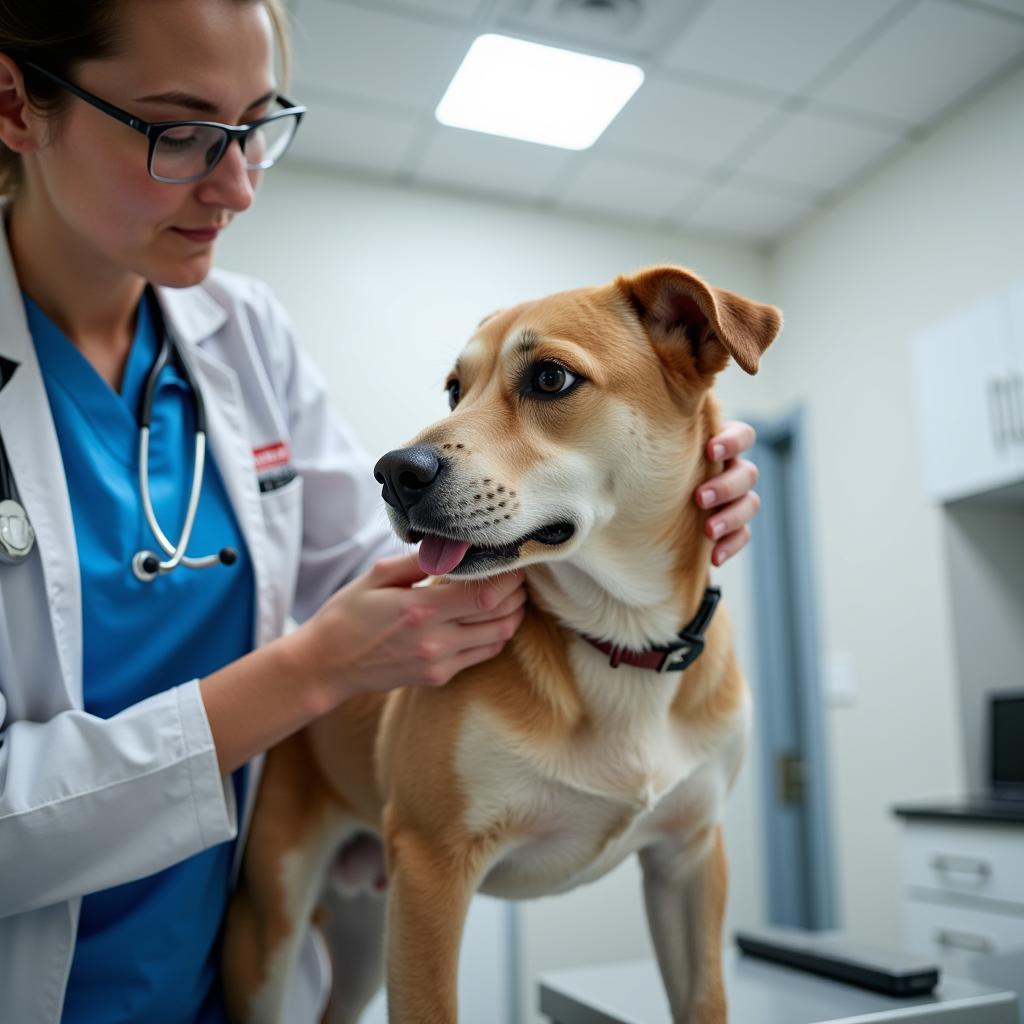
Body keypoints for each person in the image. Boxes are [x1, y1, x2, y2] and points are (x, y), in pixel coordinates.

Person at [0, 2, 764, 1021]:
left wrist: (651, 503)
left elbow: (379, 574)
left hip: (214, 956)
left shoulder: (246, 334)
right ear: (14, 103)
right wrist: (316, 666)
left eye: (260, 124)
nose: (238, 184)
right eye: (179, 130)